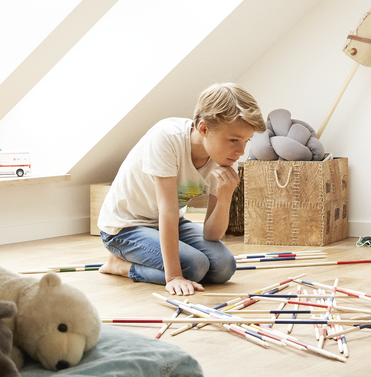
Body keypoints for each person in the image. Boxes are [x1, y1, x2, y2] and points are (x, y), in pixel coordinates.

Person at [98, 83, 266, 294]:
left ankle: (163, 263)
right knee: (194, 267)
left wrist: (225, 197)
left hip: (170, 224)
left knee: (224, 267)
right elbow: (167, 210)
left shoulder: (224, 154)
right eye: (234, 140)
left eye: (246, 141)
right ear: (204, 129)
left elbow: (212, 235)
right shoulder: (166, 138)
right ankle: (120, 265)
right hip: (124, 227)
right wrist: (174, 277)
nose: (241, 151)